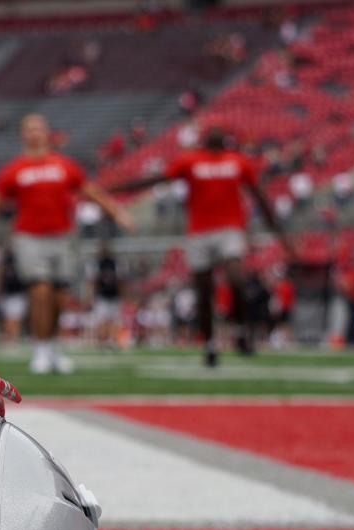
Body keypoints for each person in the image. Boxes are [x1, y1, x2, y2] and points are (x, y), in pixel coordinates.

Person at [0, 113, 132, 374]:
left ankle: (53, 348)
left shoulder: (65, 165)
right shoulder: (14, 169)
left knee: (59, 296)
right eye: (29, 128)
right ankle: (40, 349)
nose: (34, 133)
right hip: (29, 237)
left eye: (39, 128)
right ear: (23, 135)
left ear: (47, 133)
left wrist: (117, 212)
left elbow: (91, 191)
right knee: (39, 290)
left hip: (64, 236)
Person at [112, 124, 292, 367]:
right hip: (199, 232)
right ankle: (209, 343)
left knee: (237, 278)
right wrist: (123, 186)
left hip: (229, 228)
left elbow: (258, 194)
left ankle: (240, 332)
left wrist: (279, 233)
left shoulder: (237, 161)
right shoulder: (191, 161)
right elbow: (160, 177)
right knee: (204, 290)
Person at [91, 243, 123, 348]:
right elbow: (93, 281)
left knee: (112, 320)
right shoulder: (97, 264)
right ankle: (103, 341)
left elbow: (120, 281)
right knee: (103, 320)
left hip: (113, 296)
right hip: (103, 296)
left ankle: (111, 340)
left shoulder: (115, 264)